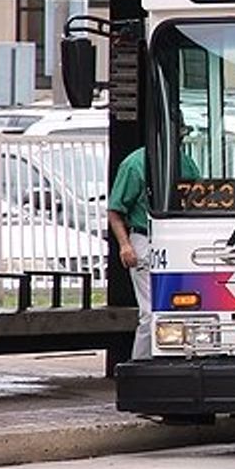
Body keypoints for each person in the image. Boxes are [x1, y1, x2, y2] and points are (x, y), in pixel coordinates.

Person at [108, 146, 157, 360]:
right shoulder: (134, 164)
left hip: (175, 236)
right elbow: (115, 210)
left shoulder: (184, 162)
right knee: (150, 312)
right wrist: (125, 245)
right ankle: (141, 365)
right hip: (143, 237)